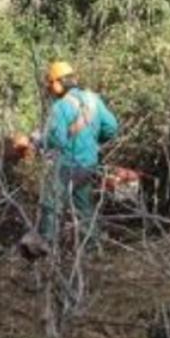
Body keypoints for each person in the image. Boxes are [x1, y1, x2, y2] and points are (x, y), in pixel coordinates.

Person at [35, 60, 119, 247]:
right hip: (89, 163)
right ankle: (92, 246)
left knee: (51, 204)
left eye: (51, 83)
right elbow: (112, 128)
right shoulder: (93, 99)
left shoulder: (60, 107)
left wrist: (38, 141)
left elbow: (56, 140)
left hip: (68, 164)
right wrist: (93, 141)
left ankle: (45, 246)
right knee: (83, 206)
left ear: (57, 83)